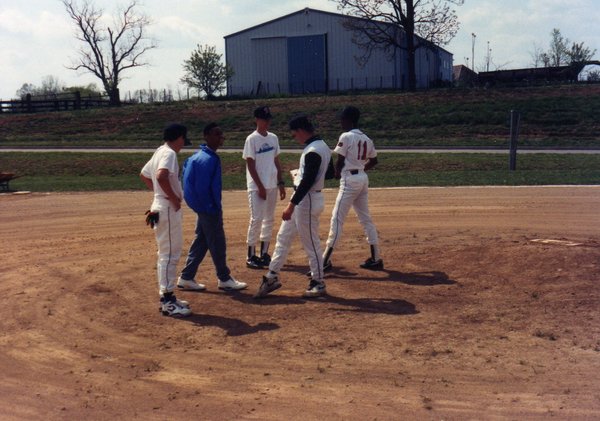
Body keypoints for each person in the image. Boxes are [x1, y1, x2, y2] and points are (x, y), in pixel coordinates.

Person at [255, 114, 334, 299]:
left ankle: (318, 282)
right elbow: (329, 173)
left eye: (294, 134)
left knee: (311, 243)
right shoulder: (322, 146)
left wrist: (291, 205)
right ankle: (272, 276)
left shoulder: (313, 150)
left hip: (307, 200)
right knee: (283, 237)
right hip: (305, 199)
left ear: (300, 131)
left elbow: (308, 182)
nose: (295, 138)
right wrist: (302, 175)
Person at [177, 122, 247, 292]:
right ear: (206, 136)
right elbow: (201, 187)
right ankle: (224, 278)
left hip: (203, 207)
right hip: (209, 208)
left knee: (202, 241)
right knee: (217, 242)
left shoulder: (199, 156)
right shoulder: (207, 159)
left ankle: (186, 277)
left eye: (221, 134)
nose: (220, 137)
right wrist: (211, 206)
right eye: (216, 134)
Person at [322, 106, 383, 271]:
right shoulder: (366, 138)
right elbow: (374, 161)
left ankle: (324, 261)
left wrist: (336, 173)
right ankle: (376, 257)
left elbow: (340, 160)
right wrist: (360, 169)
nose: (340, 122)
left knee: (337, 219)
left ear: (349, 120)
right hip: (362, 178)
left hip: (349, 180)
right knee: (365, 218)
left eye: (342, 119)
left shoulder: (346, 136)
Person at [140, 123, 192, 317]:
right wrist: (171, 197)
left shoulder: (160, 150)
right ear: (178, 137)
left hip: (159, 205)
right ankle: (168, 301)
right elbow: (161, 177)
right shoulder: (169, 153)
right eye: (182, 140)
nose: (183, 144)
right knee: (170, 254)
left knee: (166, 253)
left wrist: (159, 195)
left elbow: (145, 175)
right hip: (167, 208)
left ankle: (167, 296)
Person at [243, 105, 286, 269]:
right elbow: (250, 165)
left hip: (272, 184)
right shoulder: (251, 139)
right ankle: (251, 255)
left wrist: (280, 182)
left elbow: (276, 161)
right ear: (257, 120)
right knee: (256, 219)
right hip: (256, 186)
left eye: (268, 119)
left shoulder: (273, 138)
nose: (267, 122)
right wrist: (260, 186)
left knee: (269, 219)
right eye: (264, 119)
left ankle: (264, 253)